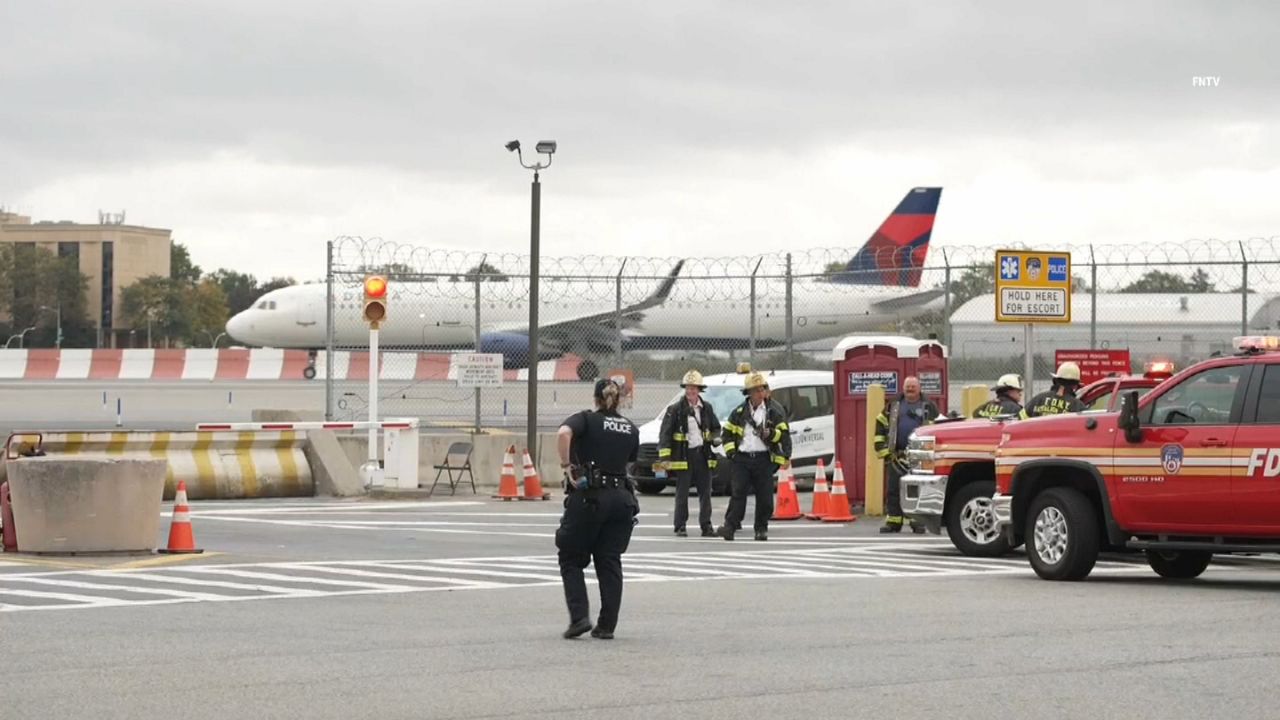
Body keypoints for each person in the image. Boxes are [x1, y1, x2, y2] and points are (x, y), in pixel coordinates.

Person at [555, 378, 641, 640]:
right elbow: (629, 461)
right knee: (609, 560)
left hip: (591, 496)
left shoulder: (586, 419)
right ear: (618, 400)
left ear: (595, 399)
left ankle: (580, 617)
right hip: (622, 500)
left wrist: (567, 466)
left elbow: (563, 434)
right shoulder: (630, 428)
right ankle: (607, 625)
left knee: (570, 555)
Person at [716, 371, 791, 541]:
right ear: (749, 393)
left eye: (762, 389)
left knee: (764, 496)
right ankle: (730, 527)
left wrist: (771, 434)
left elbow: (784, 435)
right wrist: (732, 454)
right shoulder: (739, 412)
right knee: (738, 494)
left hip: (763, 459)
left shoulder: (773, 412)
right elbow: (726, 434)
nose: (760, 393)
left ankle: (761, 529)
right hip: (741, 459)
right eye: (756, 390)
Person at [658, 369, 722, 537]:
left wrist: (715, 438)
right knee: (682, 493)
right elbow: (665, 435)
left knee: (705, 493)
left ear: (699, 390)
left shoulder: (706, 408)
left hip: (703, 455)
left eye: (694, 388)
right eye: (688, 387)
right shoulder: (675, 409)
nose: (691, 391)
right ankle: (680, 526)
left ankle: (706, 526)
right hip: (683, 457)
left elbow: (716, 428)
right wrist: (665, 458)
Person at [874, 376, 940, 533]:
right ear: (903, 388)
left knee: (918, 489)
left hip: (921, 455)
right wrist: (883, 450)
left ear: (919, 388)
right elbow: (881, 423)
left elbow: (938, 426)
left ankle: (917, 522)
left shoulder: (929, 406)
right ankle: (893, 521)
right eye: (907, 386)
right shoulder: (893, 405)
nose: (910, 389)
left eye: (913, 386)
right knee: (893, 489)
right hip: (897, 455)